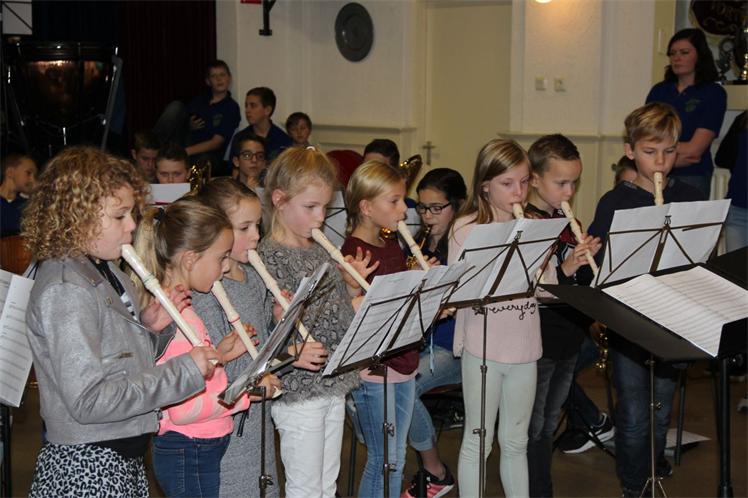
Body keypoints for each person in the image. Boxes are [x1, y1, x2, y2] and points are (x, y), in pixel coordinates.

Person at [22, 146, 212, 497]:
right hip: (87, 466)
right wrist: (184, 371)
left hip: (120, 456)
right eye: (120, 216)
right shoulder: (66, 288)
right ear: (79, 216)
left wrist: (150, 330)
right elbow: (89, 400)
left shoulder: (107, 270)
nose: (133, 226)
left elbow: (115, 363)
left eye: (132, 214)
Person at [587, 102, 705, 497]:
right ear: (630, 151)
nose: (660, 162)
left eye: (669, 151)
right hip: (629, 321)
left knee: (660, 408)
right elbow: (600, 268)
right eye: (650, 151)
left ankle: (652, 465)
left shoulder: (689, 196)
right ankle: (634, 485)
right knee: (635, 412)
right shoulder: (614, 202)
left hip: (672, 319)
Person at [132, 197, 278, 498]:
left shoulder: (182, 310)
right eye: (221, 258)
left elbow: (187, 375)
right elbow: (183, 409)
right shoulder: (176, 318)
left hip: (195, 447)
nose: (225, 268)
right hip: (188, 448)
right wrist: (245, 394)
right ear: (189, 260)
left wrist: (219, 356)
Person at [257, 147, 376, 498]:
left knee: (327, 484)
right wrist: (351, 304)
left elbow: (336, 319)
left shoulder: (320, 250)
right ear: (279, 200)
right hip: (298, 391)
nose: (320, 217)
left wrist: (351, 287)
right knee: (305, 488)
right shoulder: (267, 258)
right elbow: (266, 335)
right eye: (310, 207)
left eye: (325, 207)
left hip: (331, 382)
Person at [195, 177, 326, 497]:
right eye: (244, 228)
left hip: (258, 425)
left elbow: (263, 352)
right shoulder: (207, 293)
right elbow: (229, 378)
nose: (256, 235)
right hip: (228, 434)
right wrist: (291, 355)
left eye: (257, 225)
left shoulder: (253, 277)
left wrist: (280, 323)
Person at [450, 138, 555, 497]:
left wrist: (559, 266)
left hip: (525, 346)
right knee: (478, 440)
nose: (518, 192)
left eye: (524, 182)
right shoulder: (466, 228)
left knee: (516, 441)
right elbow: (458, 290)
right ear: (485, 185)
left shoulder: (536, 224)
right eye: (507, 183)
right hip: (484, 346)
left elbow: (547, 290)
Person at [340, 161, 426, 497]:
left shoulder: (390, 244)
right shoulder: (354, 254)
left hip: (403, 360)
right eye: (394, 201)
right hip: (375, 370)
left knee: (395, 457)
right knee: (384, 459)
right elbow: (355, 318)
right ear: (366, 207)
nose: (403, 209)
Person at [523, 134, 601, 498]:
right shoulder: (525, 223)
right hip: (538, 338)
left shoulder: (568, 223)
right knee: (534, 426)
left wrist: (587, 264)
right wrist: (567, 267)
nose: (569, 192)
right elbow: (531, 287)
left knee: (550, 421)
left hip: (567, 336)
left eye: (574, 183)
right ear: (535, 179)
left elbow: (578, 286)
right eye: (561, 183)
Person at [401, 168, 467, 498]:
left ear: (457, 206)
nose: (427, 216)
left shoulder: (464, 246)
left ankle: (435, 471)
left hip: (453, 346)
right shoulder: (418, 244)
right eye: (422, 208)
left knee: (405, 390)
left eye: (436, 208)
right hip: (419, 344)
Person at [646, 28, 727, 198]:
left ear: (699, 56)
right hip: (656, 174)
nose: (677, 58)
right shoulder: (659, 91)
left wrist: (657, 152)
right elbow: (645, 138)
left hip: (693, 176)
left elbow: (694, 150)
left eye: (684, 52)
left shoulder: (713, 93)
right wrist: (673, 156)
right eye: (672, 53)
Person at [153, 60, 241, 177]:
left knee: (203, 160)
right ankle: (153, 149)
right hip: (184, 144)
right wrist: (188, 126)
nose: (219, 79)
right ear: (208, 81)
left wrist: (185, 152)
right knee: (176, 106)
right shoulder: (199, 101)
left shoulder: (231, 107)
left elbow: (216, 142)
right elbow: (181, 123)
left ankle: (169, 157)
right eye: (214, 76)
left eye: (222, 75)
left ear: (229, 78)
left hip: (208, 154)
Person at [715, 110, 747, 252]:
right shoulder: (742, 120)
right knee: (736, 264)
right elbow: (722, 158)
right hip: (739, 211)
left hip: (739, 209)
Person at [232, 87, 292, 162]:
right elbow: (234, 167)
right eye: (246, 106)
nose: (247, 110)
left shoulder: (283, 140)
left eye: (253, 106)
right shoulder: (240, 138)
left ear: (267, 110)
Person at [0, 153, 37, 237]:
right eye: (28, 173)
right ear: (10, 172)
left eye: (34, 176)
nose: (33, 180)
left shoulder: (28, 204)